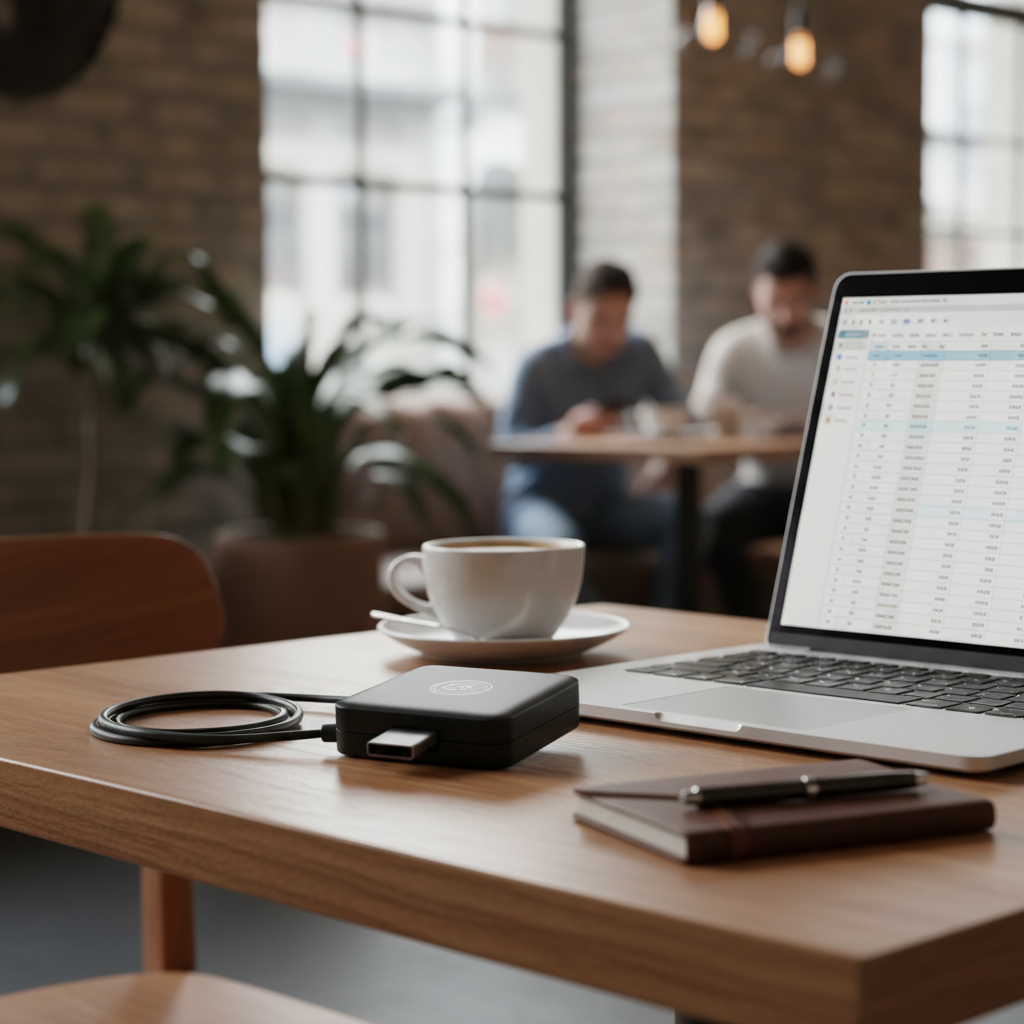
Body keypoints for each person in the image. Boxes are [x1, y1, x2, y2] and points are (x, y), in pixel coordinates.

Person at [498, 263, 682, 606]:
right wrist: (562, 430)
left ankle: (667, 621)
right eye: (600, 320)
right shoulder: (538, 365)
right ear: (572, 309)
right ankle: (598, 639)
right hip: (539, 499)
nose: (611, 333)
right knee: (563, 547)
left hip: (610, 503)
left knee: (688, 517)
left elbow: (679, 413)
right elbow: (508, 442)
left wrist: (661, 462)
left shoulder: (639, 354)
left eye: (621, 320)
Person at [688, 240, 825, 616]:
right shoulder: (733, 344)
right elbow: (703, 411)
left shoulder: (838, 335)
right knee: (711, 527)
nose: (784, 313)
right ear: (754, 296)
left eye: (795, 300)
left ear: (813, 291)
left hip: (822, 486)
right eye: (773, 302)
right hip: (759, 484)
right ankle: (745, 622)